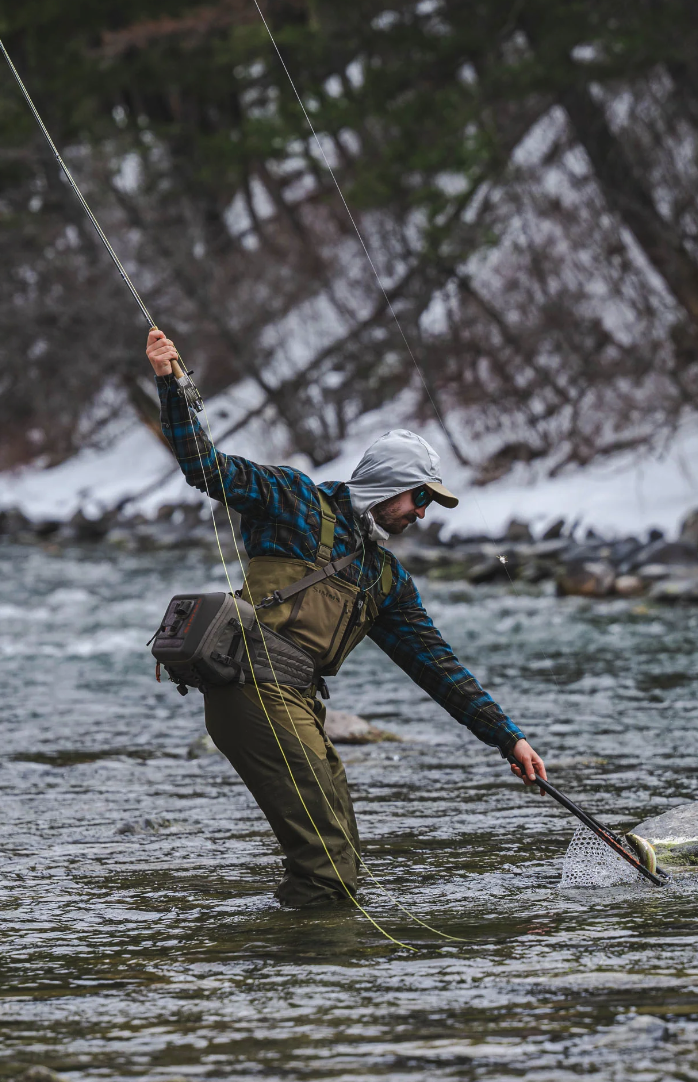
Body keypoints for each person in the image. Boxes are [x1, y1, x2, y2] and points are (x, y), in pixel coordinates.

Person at [146, 328, 547, 907]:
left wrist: (507, 737)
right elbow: (205, 467)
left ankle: (301, 967)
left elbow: (439, 668)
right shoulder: (294, 500)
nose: (423, 514)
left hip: (299, 702)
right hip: (250, 687)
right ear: (388, 486)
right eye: (421, 498)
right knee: (328, 868)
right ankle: (303, 979)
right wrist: (171, 384)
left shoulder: (386, 580)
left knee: (343, 862)